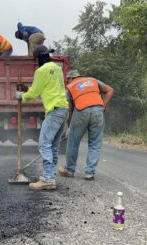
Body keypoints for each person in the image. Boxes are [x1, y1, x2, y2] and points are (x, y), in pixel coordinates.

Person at [15, 45, 69, 190]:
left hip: (54, 110)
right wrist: (29, 90)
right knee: (54, 146)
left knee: (44, 144)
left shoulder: (41, 71)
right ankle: (50, 176)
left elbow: (32, 95)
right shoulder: (57, 68)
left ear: (38, 58)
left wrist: (22, 96)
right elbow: (45, 88)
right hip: (63, 109)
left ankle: (47, 179)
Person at [57, 70, 114, 180]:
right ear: (79, 76)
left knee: (73, 141)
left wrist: (69, 127)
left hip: (81, 111)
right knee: (95, 142)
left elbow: (69, 109)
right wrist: (103, 106)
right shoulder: (93, 80)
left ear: (70, 78)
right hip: (98, 111)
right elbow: (110, 90)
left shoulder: (70, 86)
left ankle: (69, 169)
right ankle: (90, 172)